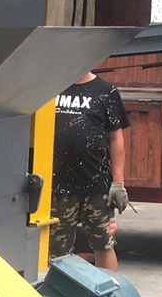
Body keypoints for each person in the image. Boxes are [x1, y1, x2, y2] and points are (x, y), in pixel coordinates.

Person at [49, 70, 130, 271]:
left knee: (104, 245)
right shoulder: (51, 88)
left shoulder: (106, 91)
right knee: (56, 251)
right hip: (57, 188)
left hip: (97, 187)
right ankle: (56, 291)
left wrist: (118, 183)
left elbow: (116, 139)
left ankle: (109, 290)